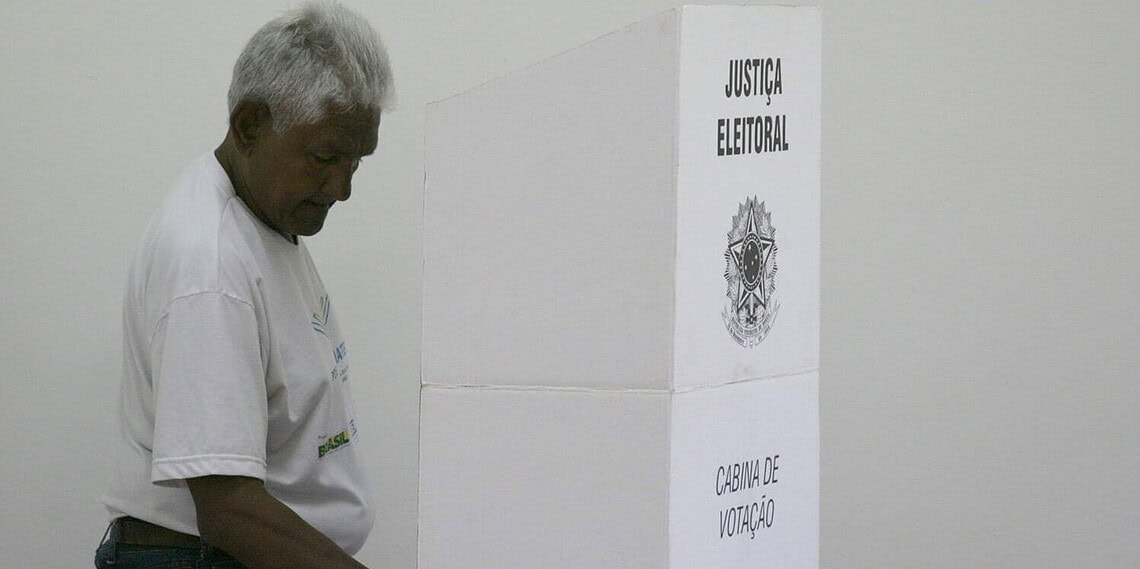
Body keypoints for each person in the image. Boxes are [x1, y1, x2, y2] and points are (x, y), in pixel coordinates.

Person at [96, 2, 393, 568]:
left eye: (358, 161)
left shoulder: (265, 218)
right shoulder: (210, 265)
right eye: (326, 157)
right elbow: (228, 506)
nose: (343, 187)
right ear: (251, 125)